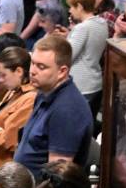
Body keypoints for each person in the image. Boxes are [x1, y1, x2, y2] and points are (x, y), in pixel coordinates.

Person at [13, 35, 94, 180]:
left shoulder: (67, 110)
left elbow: (56, 179)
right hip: (23, 183)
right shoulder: (44, 91)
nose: (32, 71)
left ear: (62, 71)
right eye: (33, 63)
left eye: (41, 67)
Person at [64, 0, 109, 116]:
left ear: (79, 6)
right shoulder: (102, 23)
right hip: (95, 83)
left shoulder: (82, 28)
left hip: (81, 85)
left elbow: (68, 56)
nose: (70, 11)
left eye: (71, 7)